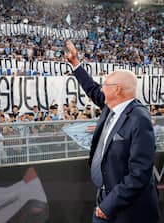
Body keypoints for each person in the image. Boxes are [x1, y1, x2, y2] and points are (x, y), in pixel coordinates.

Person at [65, 40, 159, 223]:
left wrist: (109, 205)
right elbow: (92, 89)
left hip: (125, 207)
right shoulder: (111, 106)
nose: (101, 88)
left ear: (117, 90)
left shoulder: (139, 118)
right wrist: (75, 64)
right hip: (105, 195)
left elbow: (139, 173)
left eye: (105, 84)